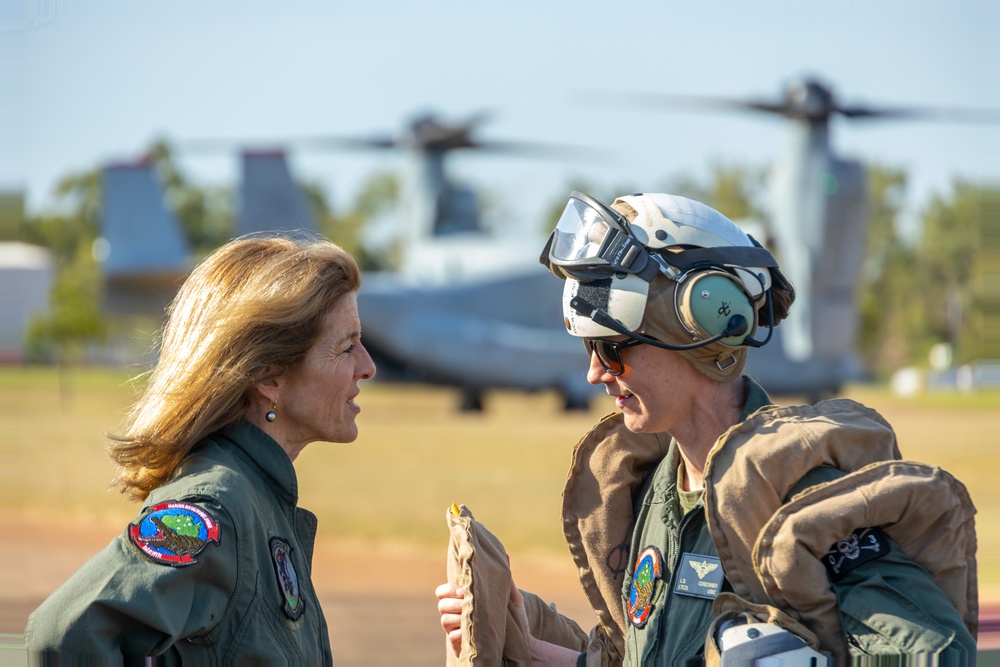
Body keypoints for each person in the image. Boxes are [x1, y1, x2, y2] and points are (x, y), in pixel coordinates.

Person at [437, 192, 978, 664]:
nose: (595, 372)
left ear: (704, 327)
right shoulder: (652, 494)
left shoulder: (806, 501)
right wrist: (522, 639)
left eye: (614, 347)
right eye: (588, 347)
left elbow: (933, 651)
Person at [25, 234, 376, 663]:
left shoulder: (255, 499)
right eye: (347, 345)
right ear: (269, 376)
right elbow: (65, 634)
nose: (367, 366)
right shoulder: (216, 509)